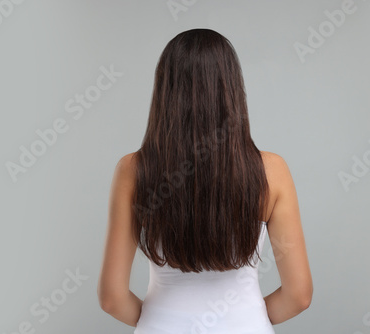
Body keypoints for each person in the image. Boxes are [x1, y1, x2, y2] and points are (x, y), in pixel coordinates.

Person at [97, 28, 313, 333]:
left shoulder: (133, 171)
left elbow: (112, 298)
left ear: (165, 91)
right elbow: (299, 296)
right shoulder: (272, 171)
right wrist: (244, 317)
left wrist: (164, 320)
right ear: (232, 89)